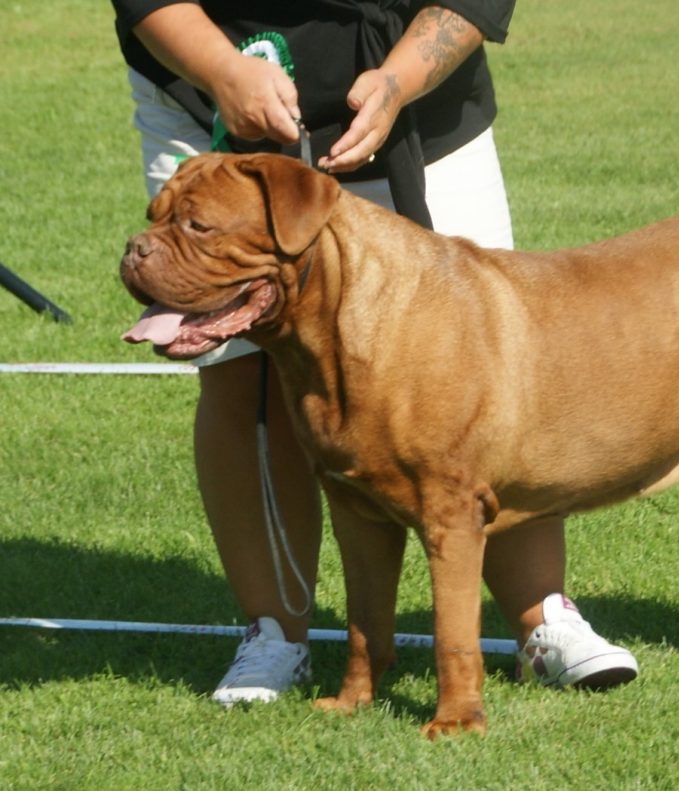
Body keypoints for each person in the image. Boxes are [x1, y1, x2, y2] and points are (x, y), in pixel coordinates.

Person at [111, 0, 638, 704]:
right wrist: (220, 70)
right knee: (240, 374)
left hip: (419, 84)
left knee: (490, 368)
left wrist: (398, 80)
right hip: (206, 78)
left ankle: (543, 615)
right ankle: (274, 632)